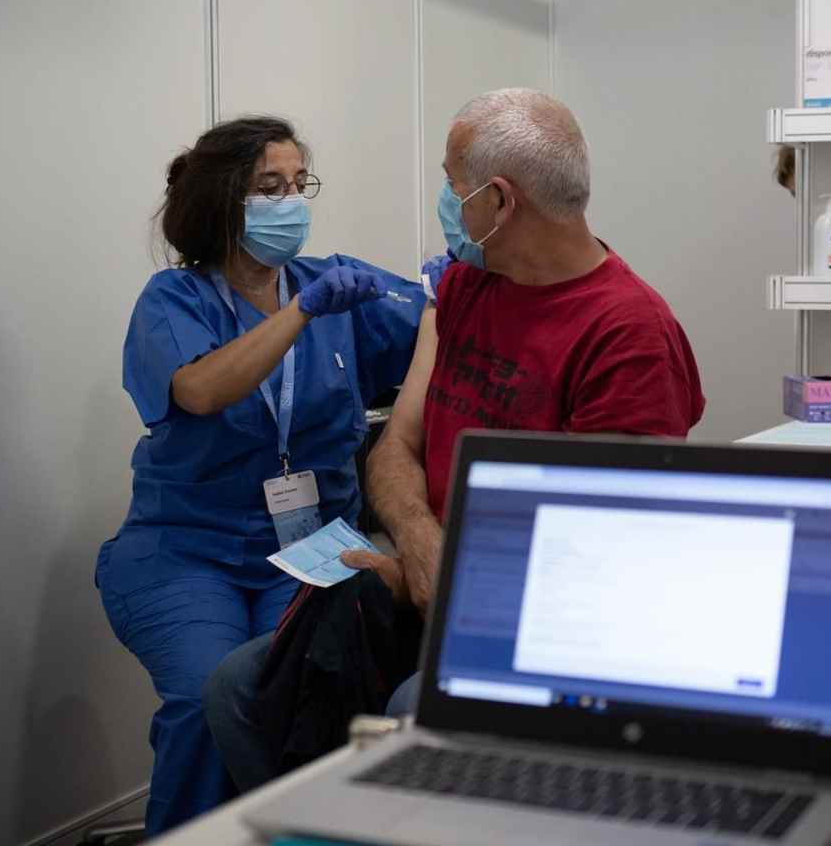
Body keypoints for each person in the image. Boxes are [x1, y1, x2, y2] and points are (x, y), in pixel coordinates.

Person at [204, 87, 705, 789]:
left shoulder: (628, 336)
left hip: (537, 623)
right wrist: (419, 545)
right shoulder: (468, 290)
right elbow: (396, 448)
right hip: (426, 580)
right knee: (238, 690)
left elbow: (599, 555)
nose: (446, 200)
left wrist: (432, 578)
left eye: (451, 184)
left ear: (498, 202)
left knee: (411, 712)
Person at [95, 115, 425, 835]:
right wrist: (300, 312)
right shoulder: (175, 300)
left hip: (309, 549)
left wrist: (453, 289)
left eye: (297, 183)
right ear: (223, 201)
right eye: (267, 188)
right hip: (188, 553)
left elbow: (436, 332)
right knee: (201, 698)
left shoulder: (335, 287)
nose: (290, 201)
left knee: (315, 689)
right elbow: (203, 390)